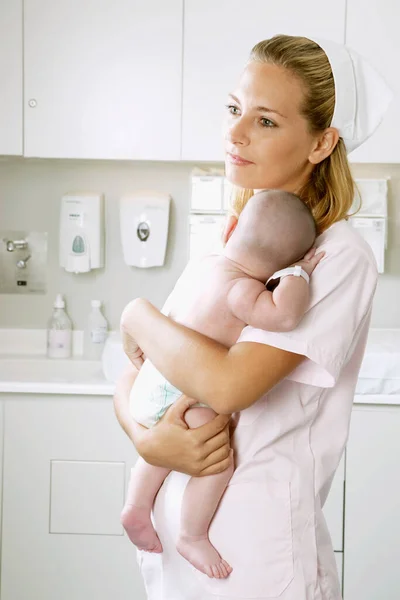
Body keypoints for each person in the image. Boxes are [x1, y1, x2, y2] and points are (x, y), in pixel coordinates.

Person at [113, 34, 392, 600]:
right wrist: (146, 442)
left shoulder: (334, 258)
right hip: (176, 547)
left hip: (257, 558)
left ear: (321, 142)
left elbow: (227, 383)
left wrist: (137, 313)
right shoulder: (229, 238)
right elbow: (142, 376)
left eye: (265, 121)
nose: (235, 134)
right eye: (235, 110)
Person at [119, 189, 324, 579]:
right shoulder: (242, 288)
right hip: (183, 392)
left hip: (150, 383)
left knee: (162, 443)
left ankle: (135, 505)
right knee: (216, 461)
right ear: (276, 269)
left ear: (231, 229)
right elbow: (284, 317)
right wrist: (299, 273)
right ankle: (192, 535)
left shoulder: (206, 266)